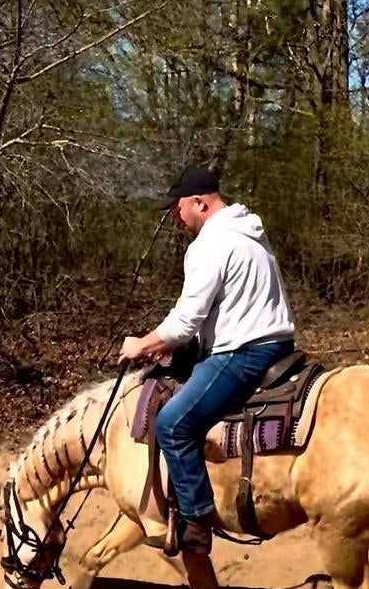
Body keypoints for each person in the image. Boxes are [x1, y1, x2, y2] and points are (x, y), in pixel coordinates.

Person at [119, 165, 296, 555]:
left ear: (200, 202)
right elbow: (228, 307)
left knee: (172, 423)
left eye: (178, 208)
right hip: (278, 345)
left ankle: (196, 521)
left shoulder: (211, 243)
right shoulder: (251, 235)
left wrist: (142, 345)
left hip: (243, 354)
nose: (175, 217)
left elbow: (184, 321)